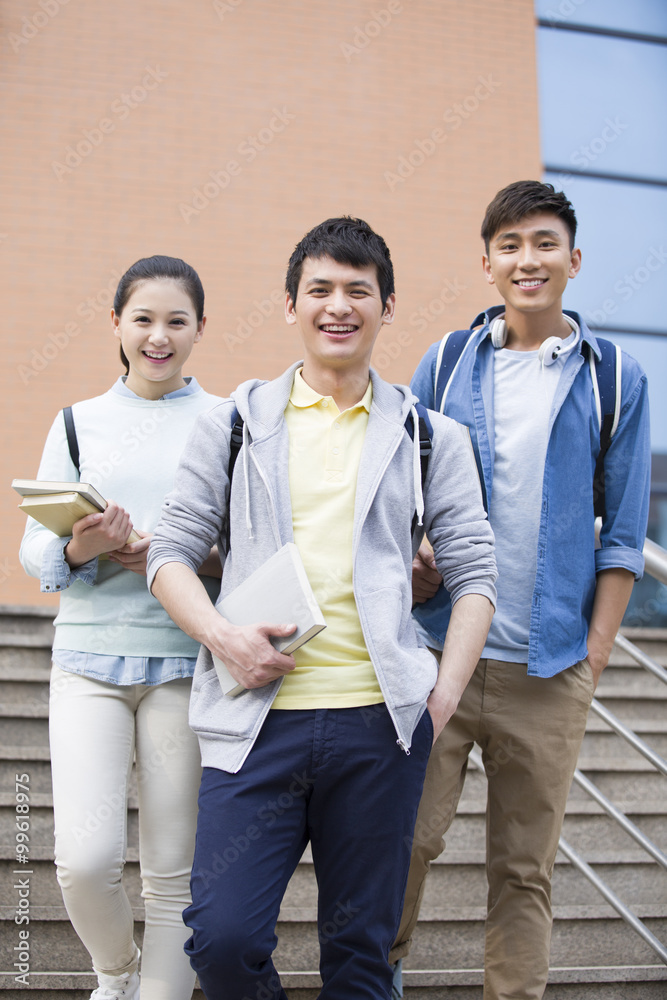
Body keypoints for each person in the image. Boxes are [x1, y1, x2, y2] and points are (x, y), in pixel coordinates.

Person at [147, 216, 497, 1000]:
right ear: (290, 304)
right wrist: (221, 635)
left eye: (357, 291)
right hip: (253, 722)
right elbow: (169, 554)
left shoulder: (429, 437)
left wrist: (438, 697)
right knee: (222, 940)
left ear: (387, 305)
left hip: (378, 726)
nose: (338, 306)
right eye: (320, 290)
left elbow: (476, 573)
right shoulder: (233, 423)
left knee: (361, 957)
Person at [389, 181, 651, 1000]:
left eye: (542, 243)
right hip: (437, 653)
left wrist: (594, 655)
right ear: (487, 263)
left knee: (523, 870)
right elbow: (399, 489)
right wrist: (416, 554)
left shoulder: (615, 377)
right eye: (509, 245)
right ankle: (372, 982)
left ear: (572, 261)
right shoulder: (445, 362)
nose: (526, 259)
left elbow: (623, 534)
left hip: (549, 668)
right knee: (403, 842)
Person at [19, 256, 223, 1000]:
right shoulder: (78, 420)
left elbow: (257, 546)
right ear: (117, 324)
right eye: (143, 319)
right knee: (83, 858)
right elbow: (34, 546)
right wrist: (84, 546)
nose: (158, 336)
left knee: (173, 870)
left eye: (176, 320)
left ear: (200, 328)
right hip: (88, 665)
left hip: (184, 664)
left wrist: (186, 558)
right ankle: (116, 973)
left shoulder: (227, 421)